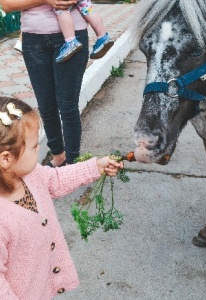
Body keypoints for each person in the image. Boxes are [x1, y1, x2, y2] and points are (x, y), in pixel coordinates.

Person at [0, 97, 123, 299]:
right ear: (6, 158)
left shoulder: (31, 175)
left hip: (40, 286)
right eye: (33, 146)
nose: (39, 148)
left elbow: (56, 179)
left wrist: (95, 166)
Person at [0, 0, 91, 168]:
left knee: (67, 105)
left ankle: (73, 164)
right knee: (46, 106)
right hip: (34, 40)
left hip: (71, 36)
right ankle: (58, 157)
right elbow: (7, 4)